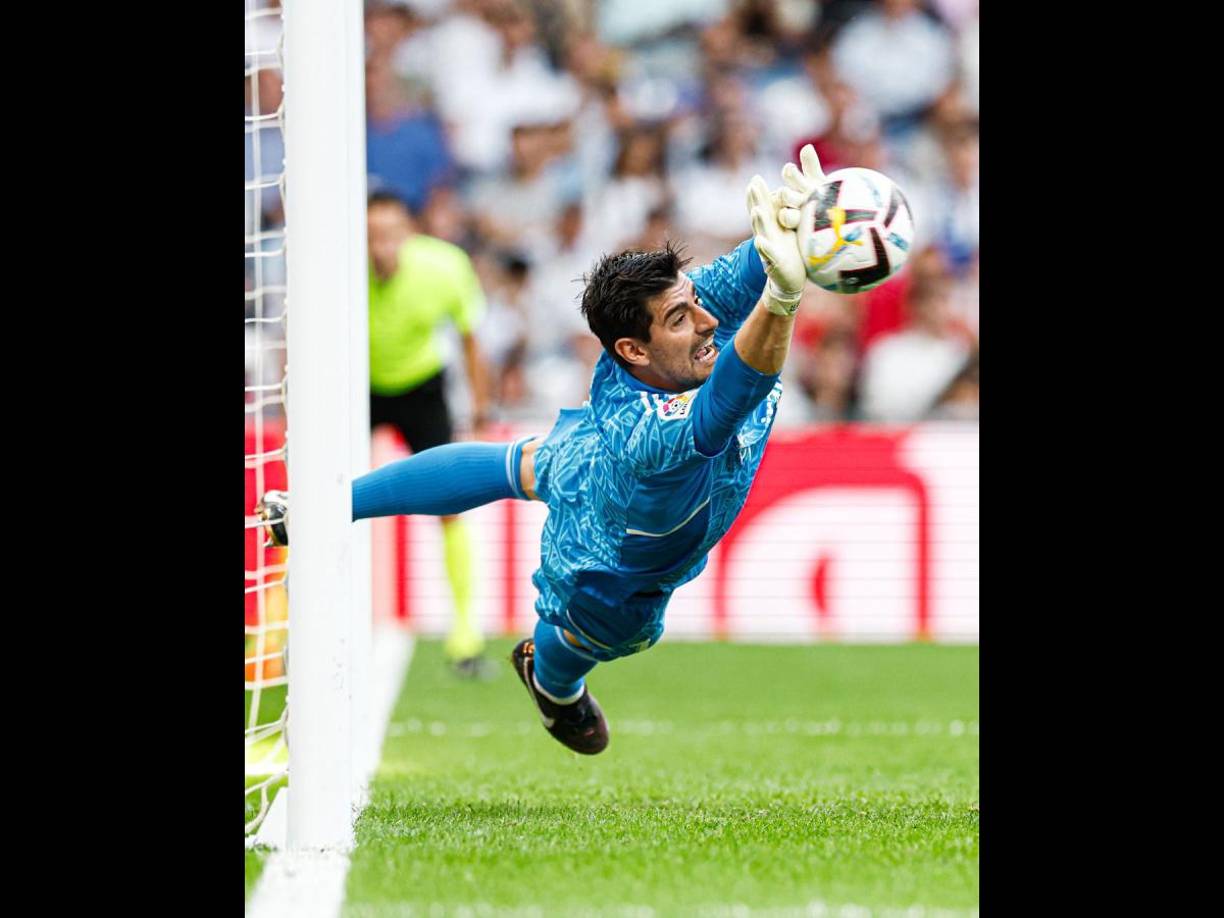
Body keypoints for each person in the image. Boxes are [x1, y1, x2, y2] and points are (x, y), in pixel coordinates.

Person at [258, 147, 825, 754]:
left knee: (520, 463)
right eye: (683, 318)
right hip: (611, 559)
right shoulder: (657, 436)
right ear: (634, 349)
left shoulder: (670, 330)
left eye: (693, 304)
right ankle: (552, 684)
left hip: (598, 450)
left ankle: (323, 507)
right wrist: (783, 300)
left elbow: (747, 275)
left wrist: (807, 226)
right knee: (584, 643)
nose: (707, 321)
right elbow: (733, 396)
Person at [365, 189, 494, 677]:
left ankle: (466, 637)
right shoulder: (337, 267)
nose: (383, 248)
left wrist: (480, 407)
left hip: (421, 385)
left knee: (451, 505)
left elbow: (470, 338)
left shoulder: (443, 267)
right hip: (358, 387)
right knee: (326, 494)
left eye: (392, 235)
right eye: (372, 237)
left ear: (410, 233)